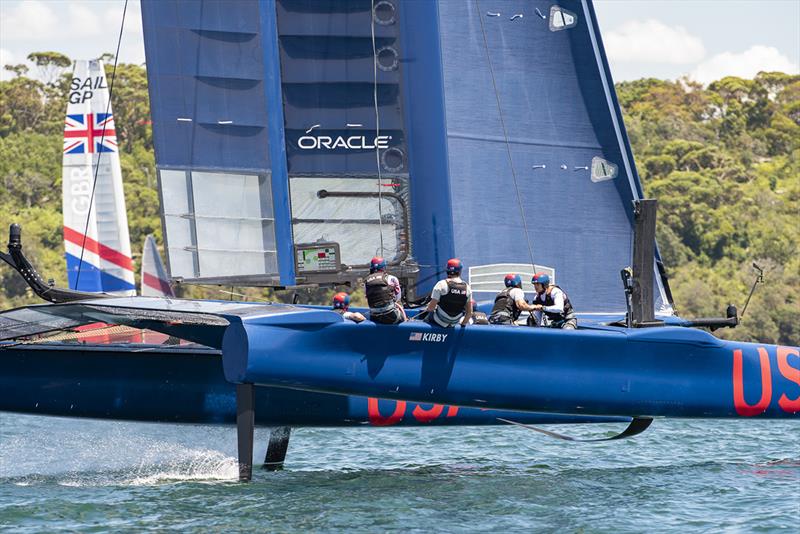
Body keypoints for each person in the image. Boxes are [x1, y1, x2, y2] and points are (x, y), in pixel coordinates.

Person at [424, 258, 472, 327]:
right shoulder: (467, 288)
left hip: (440, 321)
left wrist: (428, 308)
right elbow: (469, 313)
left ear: (447, 270)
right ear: (460, 271)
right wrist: (463, 324)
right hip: (455, 322)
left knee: (425, 316)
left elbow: (431, 308)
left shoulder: (441, 284)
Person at [364, 256, 406, 324]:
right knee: (404, 318)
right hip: (390, 314)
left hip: (374, 315)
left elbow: (367, 296)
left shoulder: (366, 281)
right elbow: (398, 297)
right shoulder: (392, 278)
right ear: (384, 267)